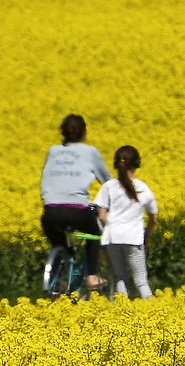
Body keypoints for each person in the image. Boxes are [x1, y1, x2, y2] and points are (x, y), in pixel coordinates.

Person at [41, 114, 109, 293]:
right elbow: (108, 183)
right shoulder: (90, 152)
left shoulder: (52, 151)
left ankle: (59, 282)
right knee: (94, 234)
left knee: (61, 245)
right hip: (77, 210)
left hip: (50, 213)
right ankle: (92, 276)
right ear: (84, 133)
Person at [96, 145, 159, 298]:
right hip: (133, 239)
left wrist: (111, 228)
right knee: (141, 282)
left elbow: (101, 215)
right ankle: (154, 310)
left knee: (120, 278)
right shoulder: (143, 188)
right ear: (136, 164)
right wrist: (146, 236)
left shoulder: (108, 186)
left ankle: (122, 312)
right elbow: (153, 218)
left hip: (112, 239)